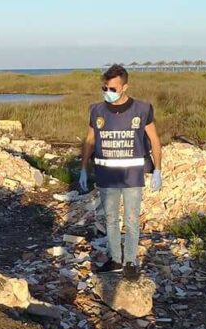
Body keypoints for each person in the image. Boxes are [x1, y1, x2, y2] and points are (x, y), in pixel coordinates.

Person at [79, 64, 163, 281]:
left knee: (132, 219)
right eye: (105, 87)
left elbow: (154, 139)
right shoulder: (97, 110)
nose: (108, 92)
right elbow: (90, 139)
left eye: (113, 88)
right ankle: (115, 258)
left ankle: (131, 261)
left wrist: (158, 169)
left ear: (125, 87)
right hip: (107, 176)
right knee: (111, 219)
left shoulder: (142, 110)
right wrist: (83, 169)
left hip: (132, 176)